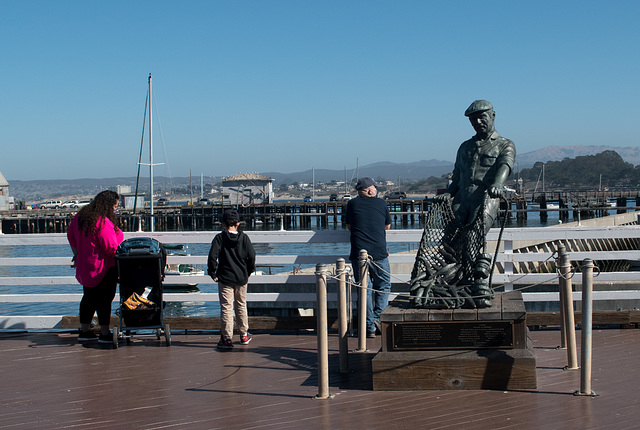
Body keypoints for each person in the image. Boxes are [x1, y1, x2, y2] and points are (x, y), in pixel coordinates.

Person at [67, 190, 124, 343]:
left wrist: (77, 253)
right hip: (103, 266)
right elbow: (111, 247)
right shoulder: (102, 222)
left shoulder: (80, 217)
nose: (115, 211)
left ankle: (84, 332)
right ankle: (104, 333)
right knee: (105, 300)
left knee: (88, 298)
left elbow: (70, 235)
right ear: (107, 206)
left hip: (85, 266)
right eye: (115, 207)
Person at [345, 177, 392, 338]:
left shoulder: (351, 204)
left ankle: (369, 326)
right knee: (383, 285)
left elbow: (349, 227)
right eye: (374, 187)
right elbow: (387, 226)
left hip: (359, 253)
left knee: (364, 289)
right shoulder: (381, 203)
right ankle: (378, 319)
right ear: (371, 191)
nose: (376, 190)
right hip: (379, 252)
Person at [208, 209, 256, 350]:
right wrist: (249, 270)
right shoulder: (244, 238)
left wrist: (212, 272)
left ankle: (227, 338)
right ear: (238, 223)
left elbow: (212, 256)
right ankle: (244, 334)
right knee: (241, 305)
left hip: (225, 277)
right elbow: (251, 256)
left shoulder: (220, 238)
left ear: (223, 224)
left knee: (226, 308)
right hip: (241, 277)